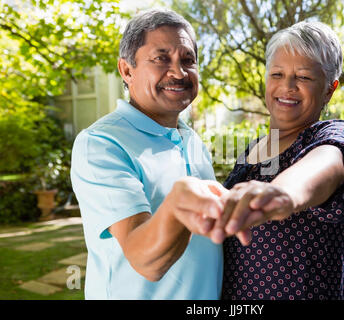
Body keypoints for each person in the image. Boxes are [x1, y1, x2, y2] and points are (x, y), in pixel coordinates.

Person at [70, 9, 227, 299]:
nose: (179, 72)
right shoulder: (101, 143)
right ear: (126, 71)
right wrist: (183, 202)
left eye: (188, 60)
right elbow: (146, 261)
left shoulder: (191, 138)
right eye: (161, 58)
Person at [210, 21, 344, 300]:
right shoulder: (254, 149)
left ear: (330, 88)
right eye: (277, 73)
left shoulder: (332, 136)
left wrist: (278, 193)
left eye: (303, 77)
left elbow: (319, 168)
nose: (287, 86)